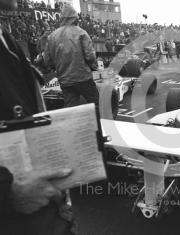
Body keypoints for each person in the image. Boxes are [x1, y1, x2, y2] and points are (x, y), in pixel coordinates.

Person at [0, 0, 74, 233]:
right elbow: (90, 56)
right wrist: (8, 192)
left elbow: (45, 61)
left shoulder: (5, 35)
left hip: (45, 211)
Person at [44, 5, 98, 108]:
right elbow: (90, 56)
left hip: (65, 80)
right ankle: (99, 123)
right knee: (98, 104)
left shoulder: (52, 36)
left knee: (71, 109)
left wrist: (57, 68)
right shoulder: (81, 33)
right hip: (83, 77)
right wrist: (93, 67)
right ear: (75, 17)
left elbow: (47, 61)